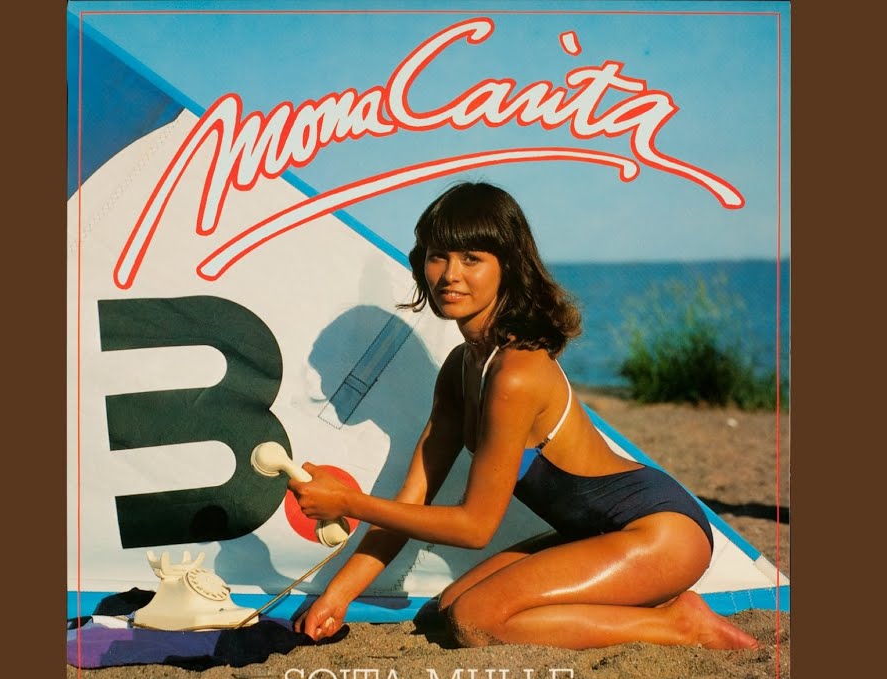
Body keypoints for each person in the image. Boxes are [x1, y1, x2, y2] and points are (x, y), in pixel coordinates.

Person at [290, 182, 758, 651]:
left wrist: (347, 502)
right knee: (449, 608)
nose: (450, 275)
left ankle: (680, 625)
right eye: (438, 256)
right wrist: (338, 596)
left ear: (508, 267)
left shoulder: (516, 373)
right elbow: (415, 496)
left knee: (476, 621)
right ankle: (647, 608)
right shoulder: (460, 368)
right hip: (592, 534)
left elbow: (475, 527)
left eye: (471, 258)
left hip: (660, 532)